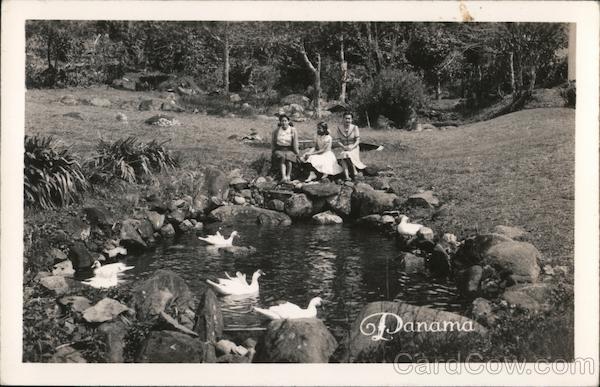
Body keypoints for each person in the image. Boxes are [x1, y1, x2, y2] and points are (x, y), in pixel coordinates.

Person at [337, 112, 366, 181]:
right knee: (343, 156)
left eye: (349, 119)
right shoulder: (339, 128)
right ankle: (347, 176)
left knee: (347, 154)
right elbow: (338, 141)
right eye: (346, 118)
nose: (347, 120)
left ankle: (354, 171)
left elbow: (358, 140)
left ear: (352, 120)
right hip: (345, 147)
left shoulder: (355, 127)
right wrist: (343, 147)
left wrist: (352, 147)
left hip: (354, 147)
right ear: (343, 119)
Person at [271, 114, 299, 183]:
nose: (284, 123)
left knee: (288, 158)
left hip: (289, 149)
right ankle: (283, 177)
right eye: (282, 121)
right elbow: (273, 142)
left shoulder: (292, 130)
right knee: (282, 157)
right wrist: (273, 150)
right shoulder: (276, 131)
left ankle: (288, 176)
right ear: (280, 122)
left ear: (288, 121)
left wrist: (296, 152)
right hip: (279, 149)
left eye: (285, 121)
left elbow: (295, 141)